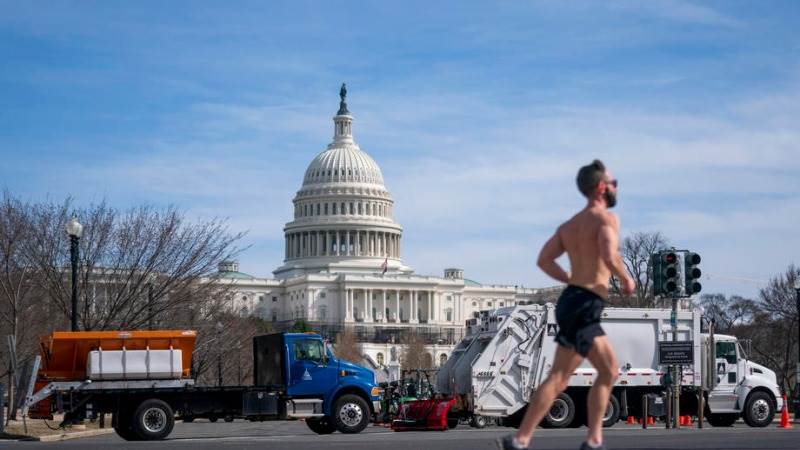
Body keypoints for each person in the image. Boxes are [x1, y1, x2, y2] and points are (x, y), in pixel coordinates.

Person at [497, 160, 636, 450]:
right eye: (613, 182)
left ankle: (521, 439)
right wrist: (626, 278)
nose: (615, 186)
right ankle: (594, 440)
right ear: (601, 188)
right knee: (608, 370)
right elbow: (609, 254)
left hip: (571, 300)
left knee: (560, 377)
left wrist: (571, 278)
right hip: (586, 303)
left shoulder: (569, 226)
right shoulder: (607, 219)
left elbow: (544, 260)